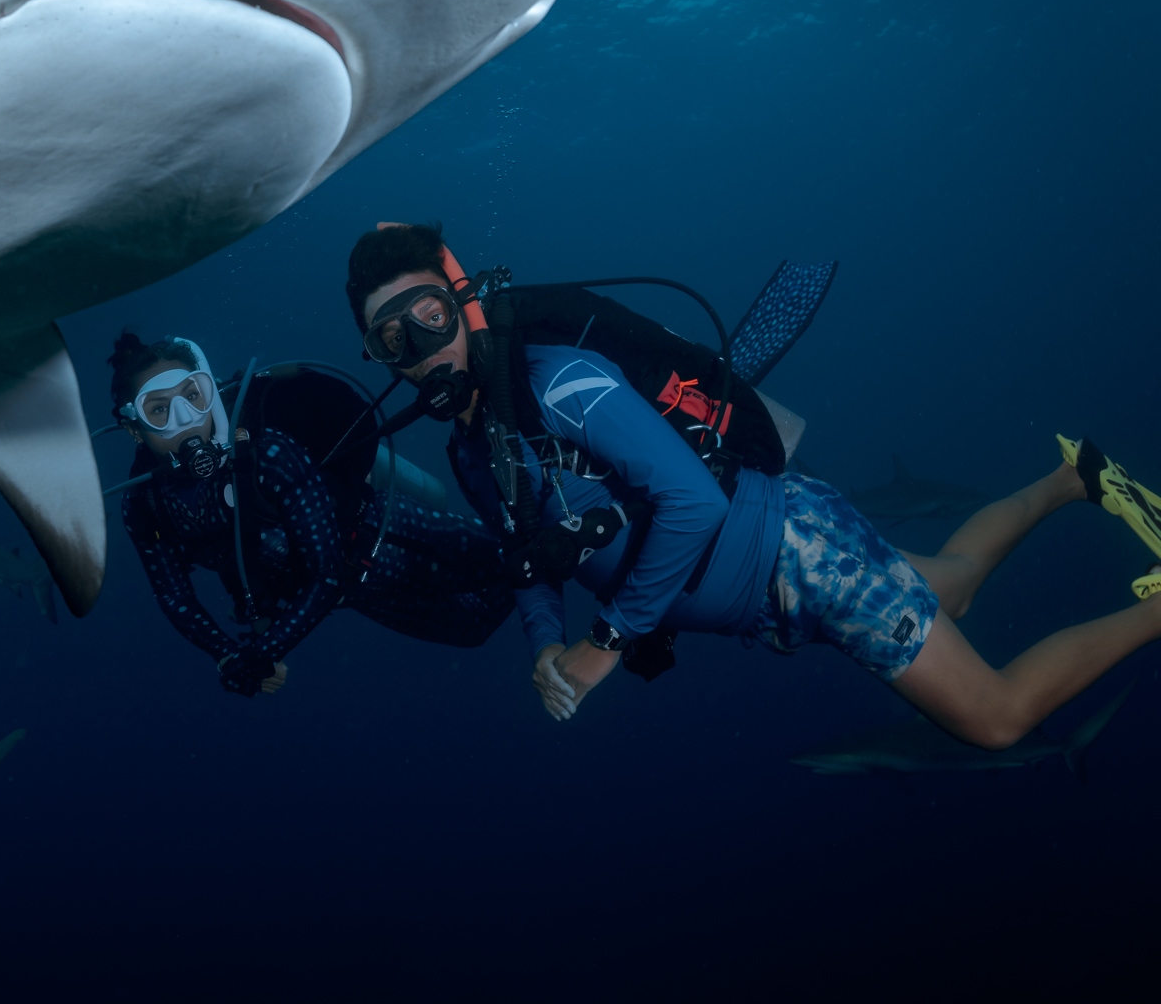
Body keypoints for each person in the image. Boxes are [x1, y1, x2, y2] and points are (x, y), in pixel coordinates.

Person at [345, 222, 1161, 747]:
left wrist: (606, 644)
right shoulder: (470, 452)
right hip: (778, 585)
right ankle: (1074, 475)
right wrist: (544, 647)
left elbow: (692, 500)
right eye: (393, 339)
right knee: (957, 587)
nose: (421, 348)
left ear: (463, 306)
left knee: (996, 716)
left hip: (805, 555)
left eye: (428, 317)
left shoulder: (556, 384)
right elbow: (531, 561)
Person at [108, 331, 514, 697]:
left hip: (382, 533)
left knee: (515, 556)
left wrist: (263, 653)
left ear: (209, 392)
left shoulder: (267, 456)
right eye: (159, 410)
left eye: (192, 396)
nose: (184, 421)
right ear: (133, 427)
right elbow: (174, 595)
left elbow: (327, 572)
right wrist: (228, 656)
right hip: (355, 592)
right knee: (473, 627)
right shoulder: (145, 506)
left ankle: (562, 534)